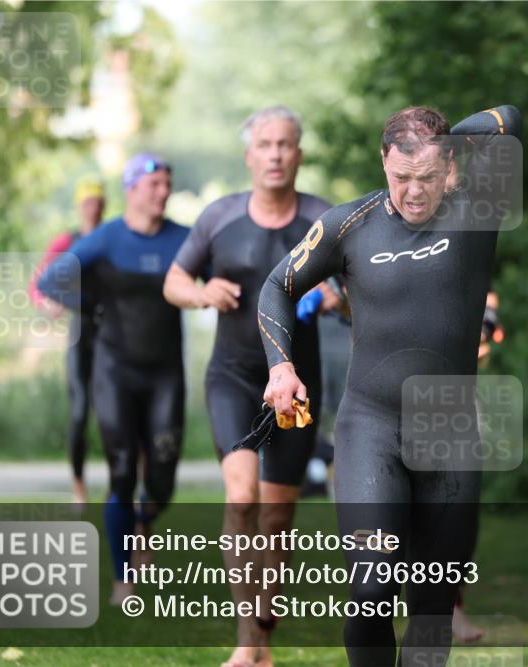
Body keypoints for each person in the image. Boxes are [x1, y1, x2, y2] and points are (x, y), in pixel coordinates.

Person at [257, 104, 521, 666]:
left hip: (449, 436)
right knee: (373, 590)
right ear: (383, 163)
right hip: (369, 428)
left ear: (449, 166)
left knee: (431, 609)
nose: (415, 193)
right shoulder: (348, 226)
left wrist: (445, 143)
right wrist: (281, 367)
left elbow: (510, 119)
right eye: (402, 177)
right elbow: (277, 287)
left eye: (427, 177)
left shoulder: (478, 208)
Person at [163, 106, 338, 667]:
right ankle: (250, 641)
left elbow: (360, 288)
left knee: (277, 515)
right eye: (265, 144)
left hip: (296, 386)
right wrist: (202, 293)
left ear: (299, 154)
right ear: (249, 155)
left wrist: (339, 298)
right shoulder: (219, 217)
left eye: (286, 144)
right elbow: (173, 281)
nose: (276, 154)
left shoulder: (323, 219)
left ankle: (264, 616)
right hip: (233, 377)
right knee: (241, 497)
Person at [37, 153, 188, 605]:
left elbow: (225, 275)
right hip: (114, 371)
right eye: (154, 183)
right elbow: (48, 282)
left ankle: (144, 520)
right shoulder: (105, 239)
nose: (163, 191)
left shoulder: (184, 238)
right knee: (121, 472)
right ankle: (123, 577)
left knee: (161, 480)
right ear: (132, 189)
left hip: (165, 373)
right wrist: (91, 304)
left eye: (167, 183)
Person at [29, 177, 106, 504]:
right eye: (88, 202)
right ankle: (78, 487)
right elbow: (38, 281)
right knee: (78, 412)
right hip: (80, 334)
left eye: (98, 202)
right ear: (80, 205)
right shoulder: (68, 240)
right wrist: (47, 302)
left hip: (111, 336)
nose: (93, 208)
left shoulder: (111, 237)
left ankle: (123, 486)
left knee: (113, 413)